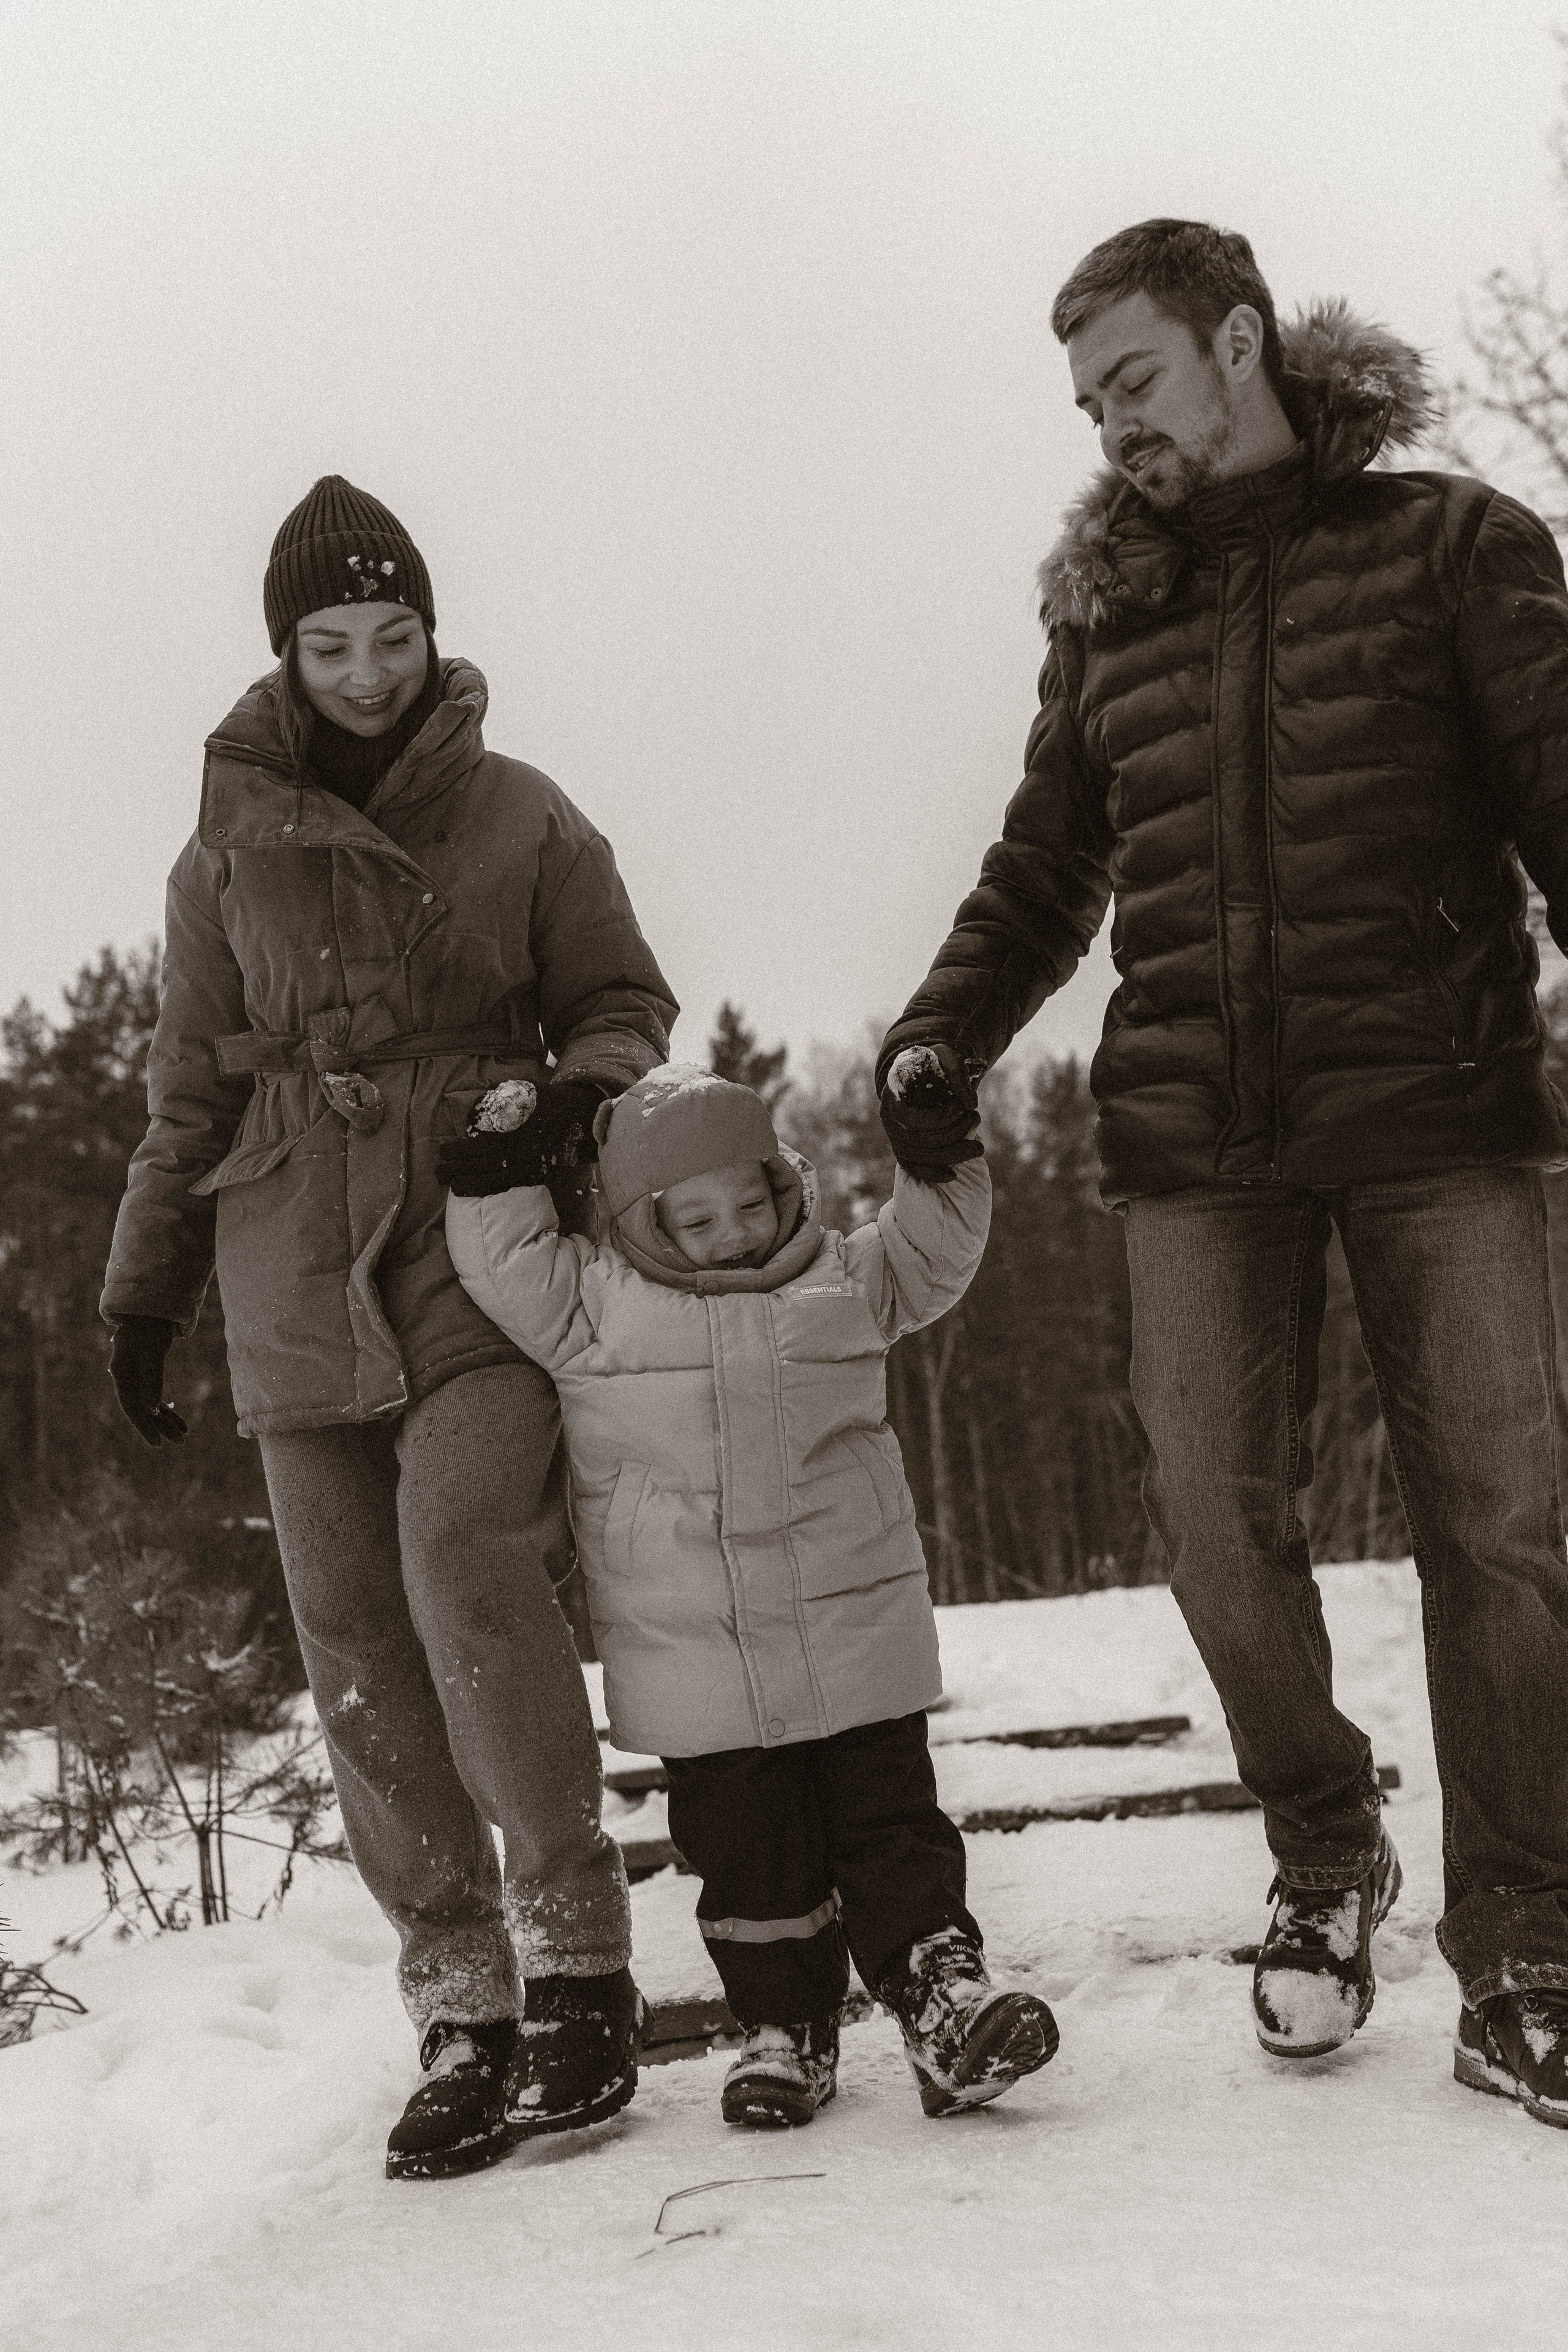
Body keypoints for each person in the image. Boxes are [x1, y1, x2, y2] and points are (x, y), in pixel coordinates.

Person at [876, 220, 1568, 2129]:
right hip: (1199, 1134)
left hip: (1439, 1108)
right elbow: (1044, 867)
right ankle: (1328, 1852)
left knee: (1500, 1529)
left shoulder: (1451, 545)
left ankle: (1527, 1954)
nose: (1113, 430)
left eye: (1138, 382)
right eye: (1090, 402)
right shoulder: (1112, 609)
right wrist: (946, 1033)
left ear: (1242, 341)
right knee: (1205, 1516)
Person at [101, 476, 679, 2179]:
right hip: (284, 1261)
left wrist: (559, 1111)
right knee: (350, 1637)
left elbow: (624, 1007)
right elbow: (187, 1087)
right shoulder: (217, 855)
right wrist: (144, 1285)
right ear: (286, 652)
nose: (368, 672)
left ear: (434, 637)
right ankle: (457, 2000)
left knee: (467, 1565)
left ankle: (579, 1962)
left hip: (473, 1242)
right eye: (333, 644)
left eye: (395, 636)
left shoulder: (522, 815)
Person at [439, 1057, 1058, 2125]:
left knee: (892, 1826)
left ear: (787, 1187)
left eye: (753, 1202)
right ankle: (784, 2028)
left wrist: (939, 1151)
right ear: (642, 1224)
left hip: (853, 1625)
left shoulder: (842, 1281)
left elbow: (934, 1245)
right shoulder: (595, 1306)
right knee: (747, 1855)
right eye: (697, 1219)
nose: (734, 1232)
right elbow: (506, 1261)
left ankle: (944, 2001)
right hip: (698, 1651)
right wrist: (500, 1157)